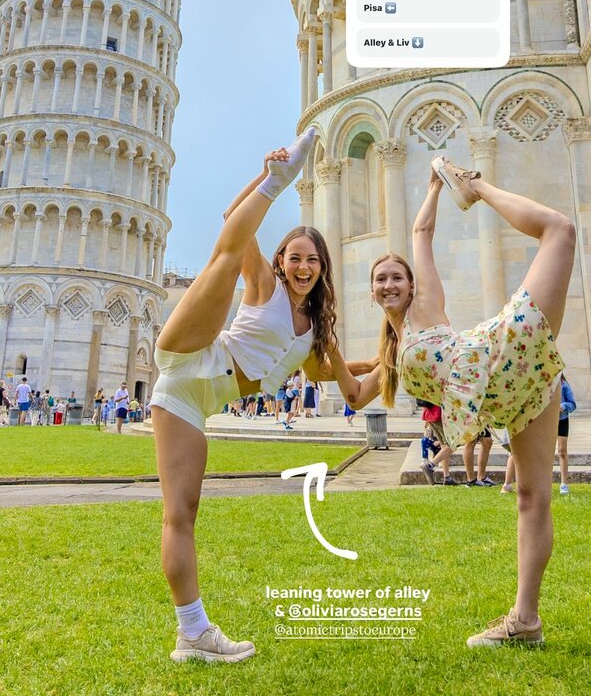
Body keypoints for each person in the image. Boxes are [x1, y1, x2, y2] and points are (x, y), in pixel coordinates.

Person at [326, 155, 575, 649]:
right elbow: (353, 395)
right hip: (513, 397)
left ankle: (475, 184)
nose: (389, 284)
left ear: (411, 287)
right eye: (381, 279)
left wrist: (438, 186)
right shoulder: (392, 356)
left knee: (560, 231)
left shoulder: (425, 307)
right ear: (372, 293)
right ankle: (526, 622)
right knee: (531, 497)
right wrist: (327, 344)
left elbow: (420, 232)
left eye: (397, 277)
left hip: (504, 349)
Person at [150, 131, 337, 663]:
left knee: (182, 514)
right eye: (295, 257)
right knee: (228, 256)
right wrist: (266, 177)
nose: (303, 267)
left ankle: (193, 635)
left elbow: (330, 375)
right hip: (192, 356)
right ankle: (281, 182)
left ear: (322, 269)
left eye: (312, 260)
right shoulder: (266, 285)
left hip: (188, 401)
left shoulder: (309, 330)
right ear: (282, 260)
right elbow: (233, 216)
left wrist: (389, 358)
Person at [557, 372, 576, 495]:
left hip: (562, 420)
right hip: (547, 423)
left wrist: (563, 406)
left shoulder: (564, 385)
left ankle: (564, 483)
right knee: (545, 452)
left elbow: (572, 404)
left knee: (562, 451)